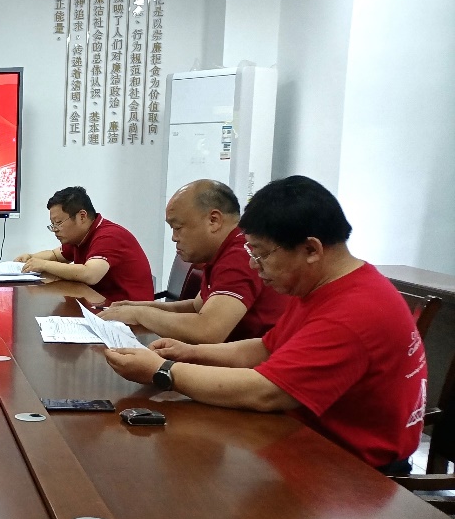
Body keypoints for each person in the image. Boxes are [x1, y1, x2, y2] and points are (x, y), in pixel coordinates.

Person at [103, 175, 427, 472]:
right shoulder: (322, 286)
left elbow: (267, 393)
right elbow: (266, 348)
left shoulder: (353, 311)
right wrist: (189, 352)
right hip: (307, 433)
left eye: (261, 255)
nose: (254, 266)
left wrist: (162, 371)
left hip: (352, 469)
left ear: (311, 249)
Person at [99, 179, 287, 343]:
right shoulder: (222, 252)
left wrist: (139, 314)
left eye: (178, 227)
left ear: (214, 220)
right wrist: (135, 306)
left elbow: (208, 330)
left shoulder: (239, 255)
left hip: (256, 366)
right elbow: (196, 307)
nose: (174, 238)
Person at [15, 186, 154, 304]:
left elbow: (90, 274)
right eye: (53, 224)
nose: (55, 230)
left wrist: (44, 265)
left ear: (82, 216)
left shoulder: (109, 236)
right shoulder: (80, 237)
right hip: (101, 304)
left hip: (130, 315)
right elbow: (55, 255)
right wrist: (30, 257)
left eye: (58, 223)